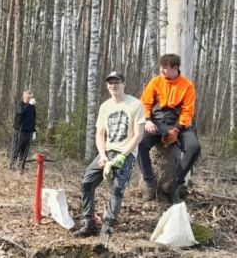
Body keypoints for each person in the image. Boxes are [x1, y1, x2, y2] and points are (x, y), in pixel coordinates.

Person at [74, 71, 145, 245]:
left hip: (125, 153)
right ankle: (88, 222)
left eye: (117, 82)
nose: (113, 86)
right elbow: (99, 134)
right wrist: (103, 156)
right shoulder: (105, 106)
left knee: (117, 188)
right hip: (106, 152)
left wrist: (123, 156)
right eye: (110, 83)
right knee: (87, 183)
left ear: (124, 83)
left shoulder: (135, 104)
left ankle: (108, 225)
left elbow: (139, 135)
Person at [138, 53, 200, 202]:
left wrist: (177, 129)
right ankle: (149, 182)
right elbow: (144, 103)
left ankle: (175, 183)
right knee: (140, 143)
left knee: (194, 147)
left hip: (179, 123)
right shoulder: (155, 82)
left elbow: (188, 111)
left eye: (165, 68)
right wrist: (147, 120)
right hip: (156, 122)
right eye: (161, 67)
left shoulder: (187, 85)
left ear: (175, 68)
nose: (162, 71)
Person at [9, 90, 37, 171]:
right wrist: (28, 105)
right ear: (24, 97)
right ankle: (11, 168)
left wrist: (34, 131)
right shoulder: (20, 104)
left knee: (25, 152)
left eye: (31, 97)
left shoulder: (32, 107)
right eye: (28, 97)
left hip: (29, 132)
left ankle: (21, 169)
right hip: (20, 131)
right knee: (16, 149)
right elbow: (21, 112)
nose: (30, 99)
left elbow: (33, 119)